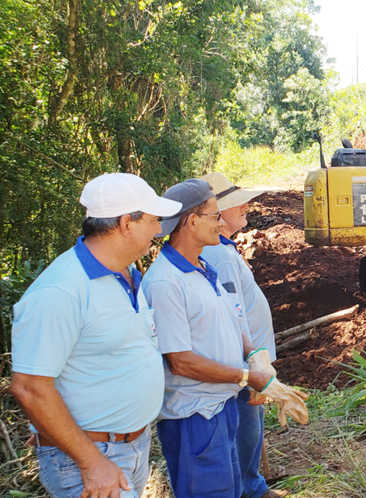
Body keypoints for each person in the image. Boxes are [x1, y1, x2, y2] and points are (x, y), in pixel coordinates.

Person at [11, 173, 181, 498]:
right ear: (125, 224)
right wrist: (91, 463)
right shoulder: (60, 290)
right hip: (92, 457)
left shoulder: (127, 275)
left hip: (128, 448)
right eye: (154, 220)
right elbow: (30, 387)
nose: (159, 230)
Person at [141, 179, 308, 498]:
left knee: (229, 489)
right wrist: (248, 376)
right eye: (215, 216)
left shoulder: (203, 269)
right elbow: (180, 361)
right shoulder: (166, 283)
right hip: (195, 417)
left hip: (221, 408)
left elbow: (232, 322)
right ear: (191, 222)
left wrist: (256, 358)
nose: (221, 223)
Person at [198, 172, 286, 498]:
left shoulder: (224, 248)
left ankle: (251, 485)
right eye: (237, 203)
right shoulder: (218, 255)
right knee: (246, 428)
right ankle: (246, 489)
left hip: (250, 361)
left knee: (252, 424)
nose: (245, 206)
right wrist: (253, 362)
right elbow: (231, 315)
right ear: (217, 216)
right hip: (245, 363)